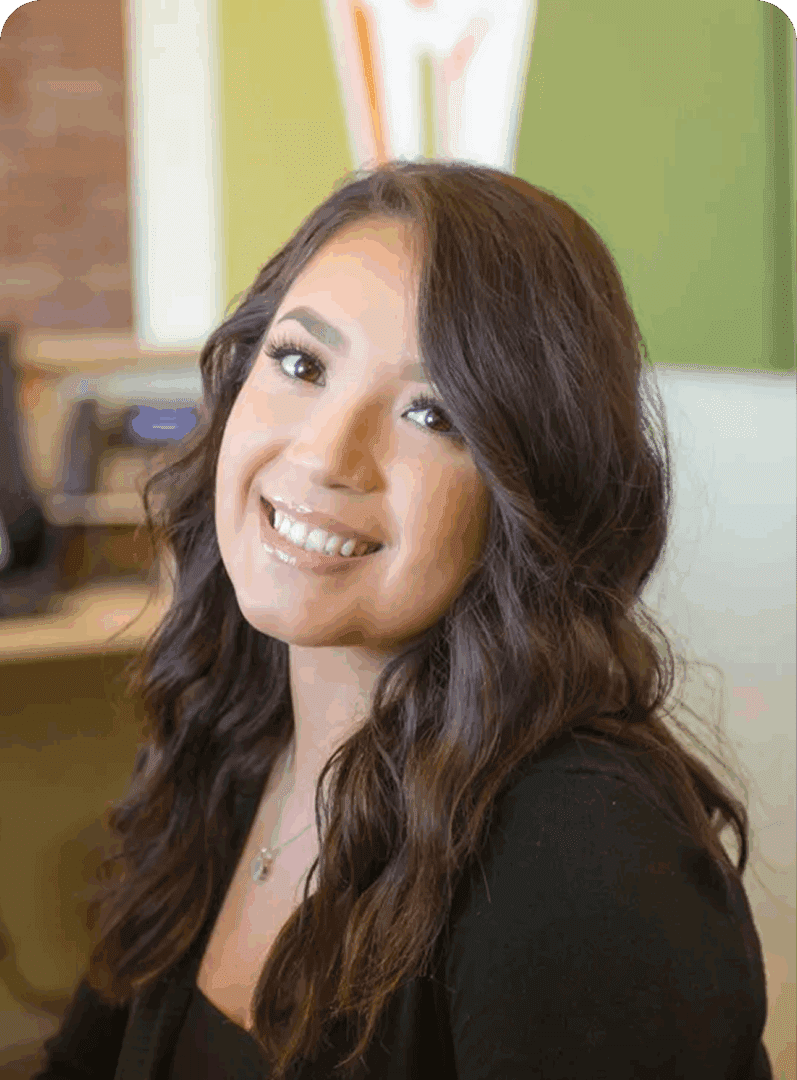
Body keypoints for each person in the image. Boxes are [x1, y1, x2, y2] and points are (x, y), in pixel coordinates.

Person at [34, 159, 772, 1080]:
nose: (323, 455)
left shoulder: (583, 857)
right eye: (300, 364)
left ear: (528, 487)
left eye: (431, 413)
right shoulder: (228, 729)